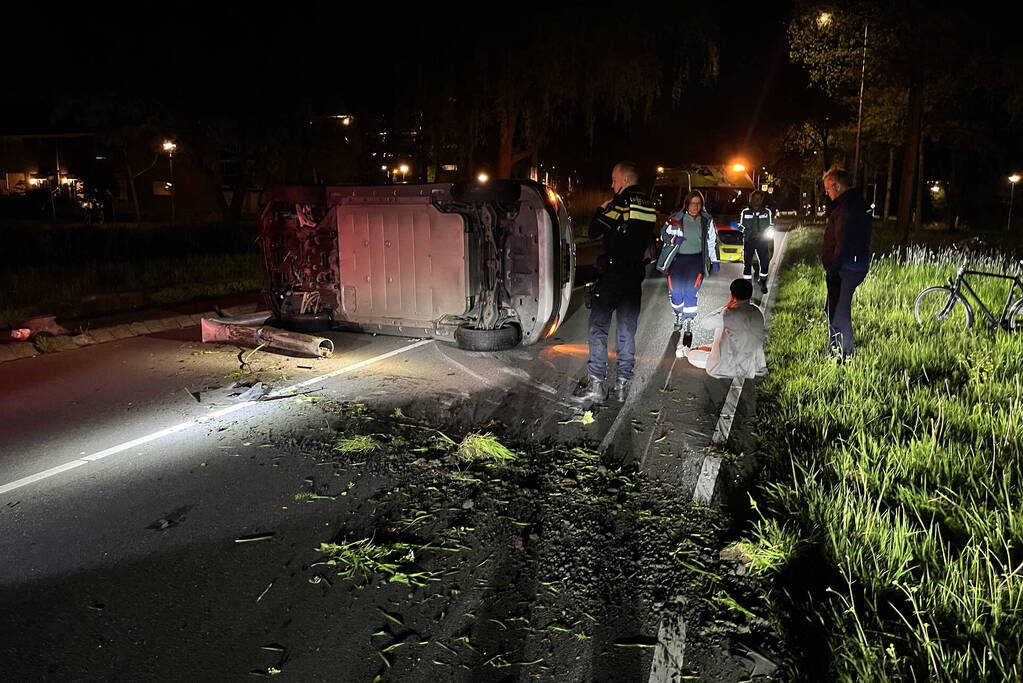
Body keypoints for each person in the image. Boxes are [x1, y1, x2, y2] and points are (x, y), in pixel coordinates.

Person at [574, 161, 658, 403]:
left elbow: (593, 231)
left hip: (612, 276)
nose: (612, 184)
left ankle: (597, 384)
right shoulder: (649, 205)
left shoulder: (621, 203)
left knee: (598, 327)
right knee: (626, 330)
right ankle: (622, 386)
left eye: (613, 179)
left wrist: (601, 210)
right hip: (634, 278)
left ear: (624, 180)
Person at [656, 190, 720, 348]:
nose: (695, 206)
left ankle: (689, 322)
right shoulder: (676, 218)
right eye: (692, 203)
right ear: (687, 203)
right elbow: (663, 235)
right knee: (676, 291)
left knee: (691, 291)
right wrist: (673, 239)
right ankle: (678, 315)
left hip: (696, 260)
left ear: (701, 205)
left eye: (698, 203)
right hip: (678, 261)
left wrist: (715, 260)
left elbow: (712, 242)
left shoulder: (707, 220)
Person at [822, 167, 872, 360]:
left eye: (828, 188)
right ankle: (836, 348)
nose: (827, 192)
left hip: (846, 269)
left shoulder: (848, 208)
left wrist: (834, 268)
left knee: (839, 312)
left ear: (837, 185)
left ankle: (843, 355)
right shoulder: (854, 204)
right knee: (834, 308)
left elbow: (844, 241)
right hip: (851, 266)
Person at [678, 278, 767, 379]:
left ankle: (686, 351)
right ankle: (698, 350)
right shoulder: (757, 312)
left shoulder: (727, 313)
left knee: (693, 356)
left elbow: (705, 323)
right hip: (750, 363)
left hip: (728, 366)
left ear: (731, 295)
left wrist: (726, 307)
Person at [738, 191, 774, 294]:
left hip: (762, 241)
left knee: (764, 262)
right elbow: (740, 225)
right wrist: (747, 232)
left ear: (762, 200)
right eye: (755, 198)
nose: (757, 200)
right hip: (749, 241)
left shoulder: (767, 212)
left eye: (759, 198)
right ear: (751, 199)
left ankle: (762, 281)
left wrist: (764, 233)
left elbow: (771, 225)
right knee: (747, 263)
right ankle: (747, 284)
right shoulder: (745, 212)